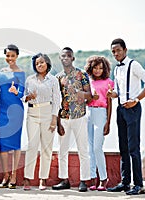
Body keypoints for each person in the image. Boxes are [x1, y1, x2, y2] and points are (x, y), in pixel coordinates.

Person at [106, 38, 145, 195]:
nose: (116, 54)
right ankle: (125, 182)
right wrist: (112, 94)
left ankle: (139, 185)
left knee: (134, 147)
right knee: (123, 147)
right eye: (113, 51)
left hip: (133, 110)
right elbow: (118, 92)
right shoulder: (116, 69)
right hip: (120, 109)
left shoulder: (134, 65)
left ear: (125, 50)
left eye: (118, 50)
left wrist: (136, 100)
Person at [52, 47, 92, 192]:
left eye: (68, 56)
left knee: (83, 150)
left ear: (73, 58)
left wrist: (76, 91)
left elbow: (89, 95)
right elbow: (56, 101)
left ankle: (84, 181)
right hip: (63, 118)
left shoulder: (81, 74)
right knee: (62, 151)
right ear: (60, 58)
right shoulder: (57, 77)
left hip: (79, 116)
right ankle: (64, 180)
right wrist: (57, 123)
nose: (65, 58)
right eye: (63, 56)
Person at [23, 53, 60, 191]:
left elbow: (57, 100)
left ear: (47, 64)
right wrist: (28, 97)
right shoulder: (29, 79)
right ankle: (27, 178)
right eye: (37, 63)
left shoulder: (53, 80)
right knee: (32, 145)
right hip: (32, 114)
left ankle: (43, 179)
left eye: (42, 62)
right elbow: (23, 98)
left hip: (47, 113)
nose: (39, 65)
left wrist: (54, 118)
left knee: (46, 148)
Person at [84, 56, 114, 191]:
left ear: (105, 69)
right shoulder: (88, 82)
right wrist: (91, 97)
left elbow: (109, 104)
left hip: (101, 114)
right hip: (89, 113)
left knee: (97, 147)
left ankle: (103, 178)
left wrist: (108, 123)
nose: (97, 70)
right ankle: (92, 178)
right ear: (91, 68)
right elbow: (85, 102)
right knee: (90, 149)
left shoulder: (108, 82)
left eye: (100, 68)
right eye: (95, 67)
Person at [0, 44, 25, 189]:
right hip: (3, 111)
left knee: (15, 145)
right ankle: (5, 175)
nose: (10, 58)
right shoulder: (1, 72)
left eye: (12, 56)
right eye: (8, 56)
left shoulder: (21, 73)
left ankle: (14, 176)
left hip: (16, 112)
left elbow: (22, 94)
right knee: (3, 145)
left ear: (17, 56)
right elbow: (0, 93)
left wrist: (16, 91)